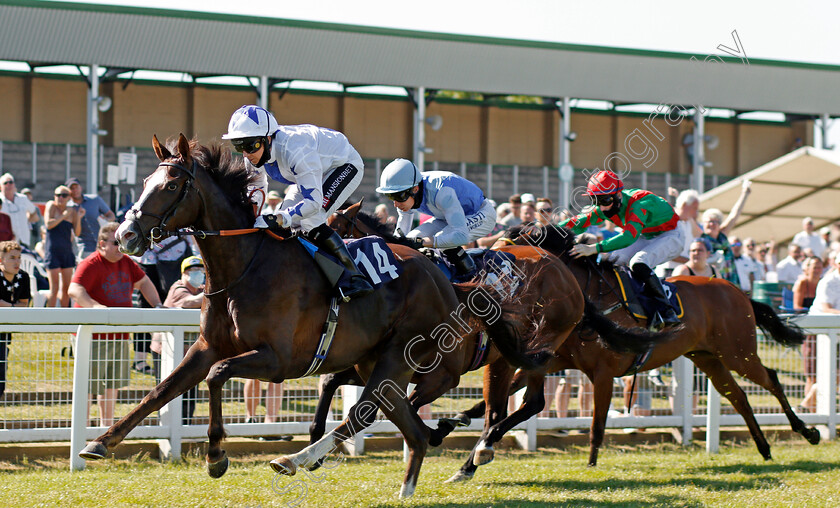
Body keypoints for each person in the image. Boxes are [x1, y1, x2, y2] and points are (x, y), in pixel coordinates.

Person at [222, 105, 373, 301]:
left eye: (250, 146)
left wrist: (281, 217)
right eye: (239, 146)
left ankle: (354, 277)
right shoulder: (252, 156)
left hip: (343, 166)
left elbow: (313, 202)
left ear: (267, 139)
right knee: (283, 221)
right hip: (310, 172)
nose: (246, 154)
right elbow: (256, 190)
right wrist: (255, 217)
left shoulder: (296, 149)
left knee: (309, 220)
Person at [560, 170, 684, 329]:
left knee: (639, 262)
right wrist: (546, 231)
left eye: (604, 200)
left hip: (671, 234)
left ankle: (666, 310)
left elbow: (628, 237)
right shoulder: (607, 205)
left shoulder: (639, 204)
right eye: (595, 200)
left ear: (618, 195)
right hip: (645, 234)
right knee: (612, 262)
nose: (601, 207)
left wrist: (594, 248)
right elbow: (577, 223)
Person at [68, 222, 163, 427]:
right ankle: (81, 431)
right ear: (102, 244)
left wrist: (157, 305)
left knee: (112, 385)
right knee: (88, 386)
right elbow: (74, 289)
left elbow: (144, 282)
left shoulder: (127, 262)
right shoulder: (91, 263)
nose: (121, 247)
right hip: (92, 337)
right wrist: (95, 307)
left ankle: (106, 428)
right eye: (115, 243)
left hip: (119, 336)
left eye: (124, 242)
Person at [375, 158, 497, 276]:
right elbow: (401, 236)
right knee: (411, 239)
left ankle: (473, 277)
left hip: (481, 214)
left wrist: (423, 242)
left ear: (415, 189)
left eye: (398, 196)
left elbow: (461, 236)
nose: (395, 204)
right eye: (390, 196)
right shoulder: (407, 190)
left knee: (443, 240)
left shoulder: (442, 193)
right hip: (447, 216)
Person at [161, 255, 205, 424]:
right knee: (169, 389)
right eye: (193, 271)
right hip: (168, 351)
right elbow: (187, 303)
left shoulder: (201, 290)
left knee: (190, 391)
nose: (198, 274)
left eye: (201, 270)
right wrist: (212, 294)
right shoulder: (178, 288)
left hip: (190, 352)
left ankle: (185, 427)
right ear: (184, 274)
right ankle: (168, 428)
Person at [700, 180, 752, 287]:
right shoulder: (700, 238)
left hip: (730, 277)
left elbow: (735, 214)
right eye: (708, 221)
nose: (711, 224)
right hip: (711, 280)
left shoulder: (722, 235)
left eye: (715, 221)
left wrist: (745, 193)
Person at [0, 241, 30, 399]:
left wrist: (7, 305)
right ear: (1, 259)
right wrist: (13, 306)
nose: (17, 261)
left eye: (19, 257)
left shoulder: (23, 277)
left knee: (1, 373)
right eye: (12, 257)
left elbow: (24, 304)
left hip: (5, 330)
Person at [44, 185, 82, 307]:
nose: (60, 198)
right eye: (57, 195)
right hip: (52, 252)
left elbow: (77, 232)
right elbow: (48, 224)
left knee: (66, 288)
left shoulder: (73, 212)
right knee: (54, 288)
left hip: (66, 252)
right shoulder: (51, 206)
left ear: (69, 198)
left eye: (64, 195)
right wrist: (64, 216)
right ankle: (48, 320)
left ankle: (64, 319)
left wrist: (79, 217)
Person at [794, 256, 823, 412]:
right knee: (811, 374)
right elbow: (797, 306)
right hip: (809, 330)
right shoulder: (802, 284)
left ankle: (809, 406)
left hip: (824, 330)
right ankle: (809, 411)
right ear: (807, 268)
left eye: (819, 266)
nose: (817, 270)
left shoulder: (824, 284)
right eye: (814, 267)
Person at [65, 177, 116, 263]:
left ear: (80, 187)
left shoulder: (95, 200)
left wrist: (106, 220)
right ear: (68, 191)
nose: (75, 190)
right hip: (84, 249)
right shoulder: (68, 208)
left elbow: (111, 215)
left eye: (76, 187)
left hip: (102, 246)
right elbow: (75, 232)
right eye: (71, 188)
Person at [656, 189, 702, 278]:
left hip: (685, 271)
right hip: (669, 271)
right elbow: (667, 252)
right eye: (694, 208)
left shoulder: (688, 222)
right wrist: (691, 261)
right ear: (685, 205)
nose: (696, 212)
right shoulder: (669, 221)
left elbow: (699, 234)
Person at [0, 173, 38, 248]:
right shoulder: (0, 201)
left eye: (11, 182)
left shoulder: (23, 198)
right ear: (0, 186)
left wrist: (26, 220)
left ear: (14, 184)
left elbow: (34, 213)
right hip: (6, 243)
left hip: (24, 240)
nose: (8, 185)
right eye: (5, 183)